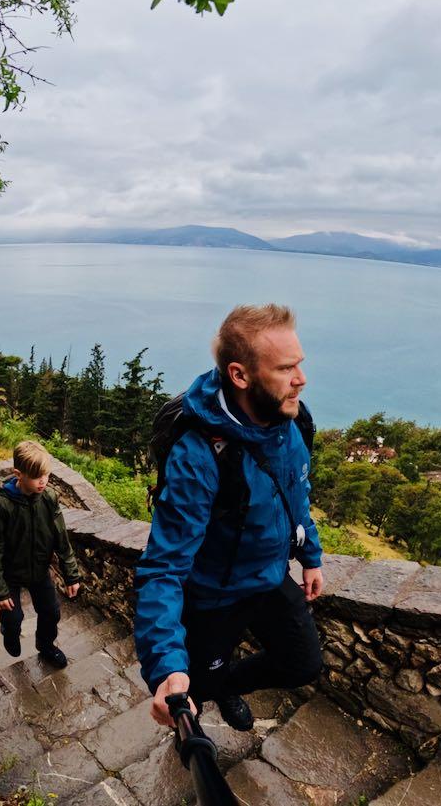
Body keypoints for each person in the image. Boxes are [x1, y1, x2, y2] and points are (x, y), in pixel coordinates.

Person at [134, 303, 324, 731]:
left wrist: (310, 554)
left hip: (270, 574)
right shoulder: (199, 455)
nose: (301, 379)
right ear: (240, 375)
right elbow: (163, 566)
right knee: (196, 679)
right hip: (216, 597)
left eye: (300, 364)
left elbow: (296, 492)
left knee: (303, 663)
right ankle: (204, 697)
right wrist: (166, 666)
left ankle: (221, 684)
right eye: (286, 369)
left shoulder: (290, 421)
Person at [0, 441, 82, 669]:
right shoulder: (2, 506)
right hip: (10, 574)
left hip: (39, 571)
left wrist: (71, 575)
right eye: (37, 477)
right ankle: (10, 631)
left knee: (51, 612)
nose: (43, 481)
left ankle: (46, 646)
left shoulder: (48, 498)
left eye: (46, 475)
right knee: (12, 617)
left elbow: (61, 538)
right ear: (19, 474)